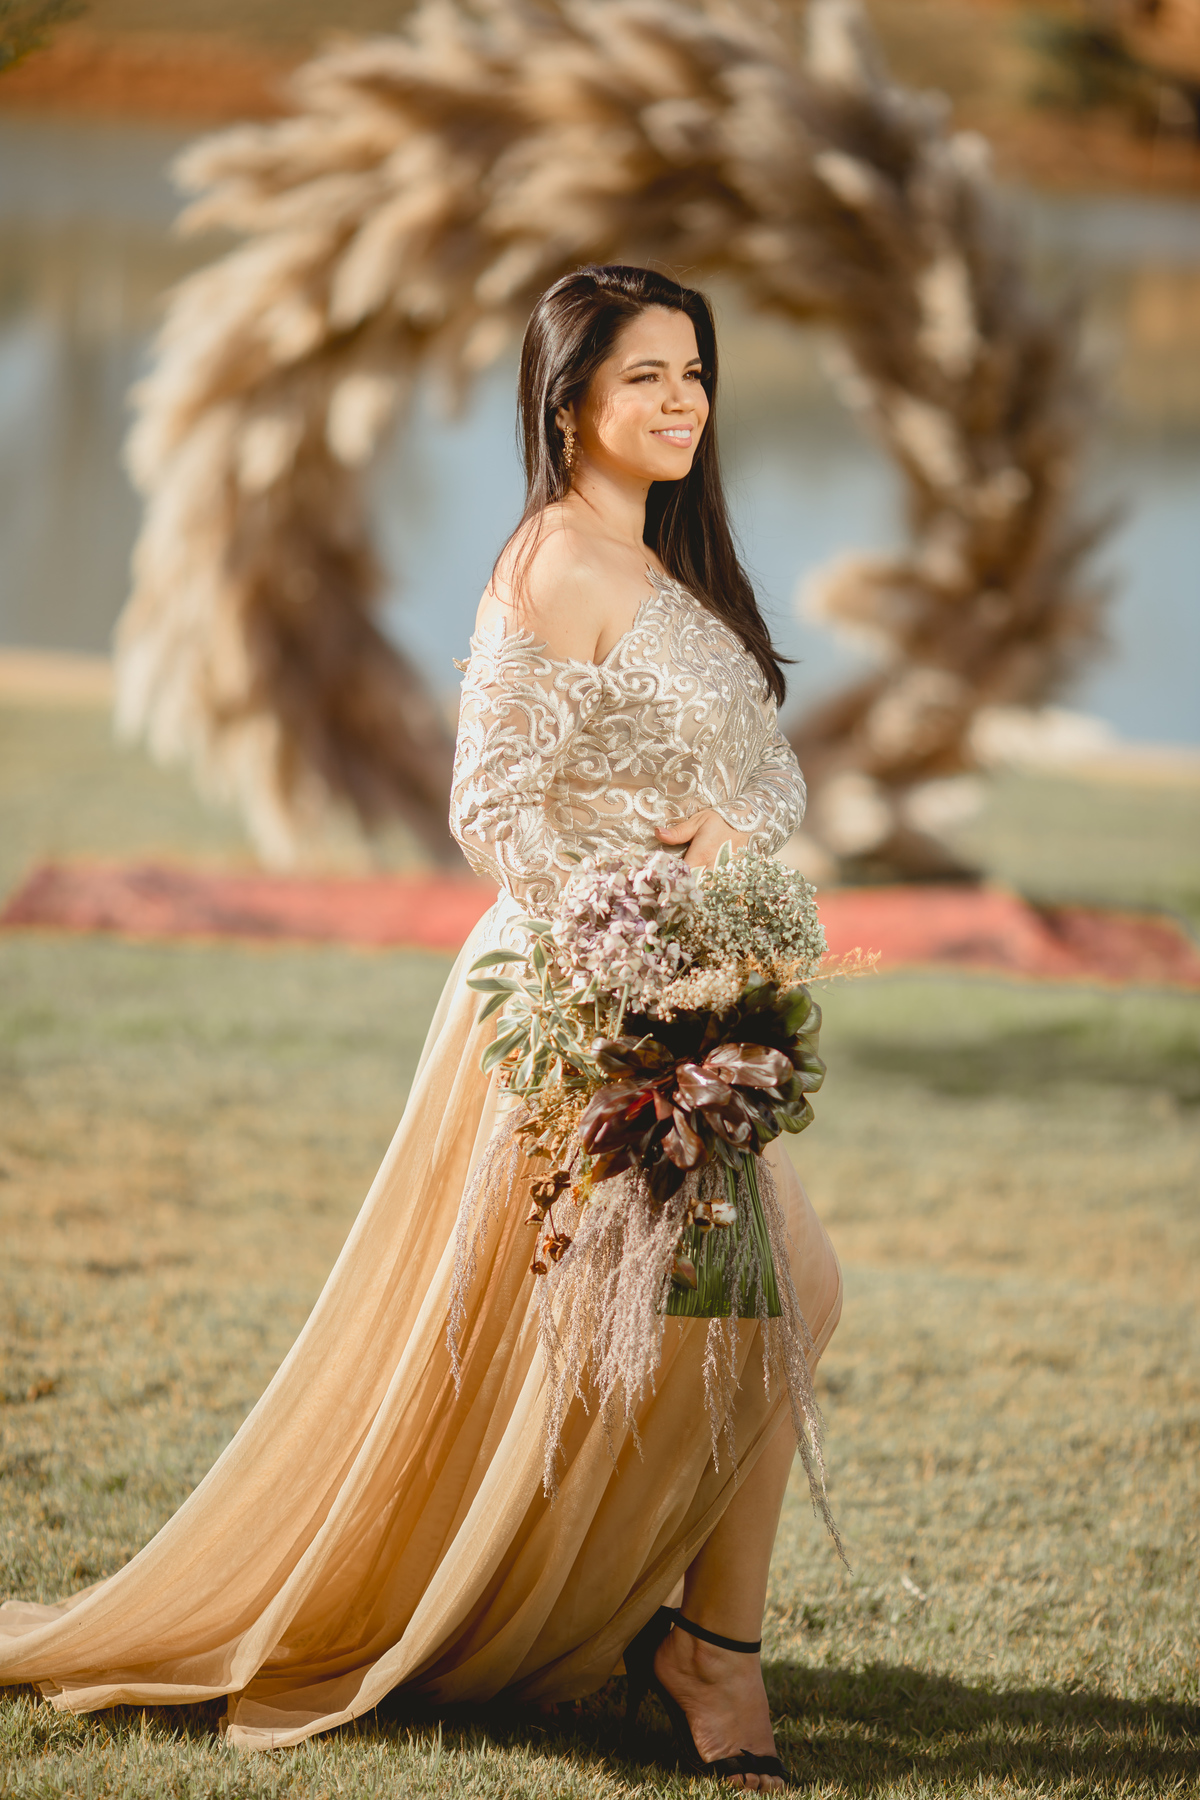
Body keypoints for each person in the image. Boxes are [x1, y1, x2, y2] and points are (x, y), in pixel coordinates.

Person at [0, 265, 841, 1793]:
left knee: (769, 1306)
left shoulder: (662, 559)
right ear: (567, 397)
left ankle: (698, 1640)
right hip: (589, 1007)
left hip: (695, 995)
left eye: (695, 373)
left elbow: (735, 783)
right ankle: (707, 1660)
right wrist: (642, 919)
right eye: (644, 374)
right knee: (770, 1300)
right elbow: (491, 809)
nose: (679, 401)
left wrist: (722, 900)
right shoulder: (551, 562)